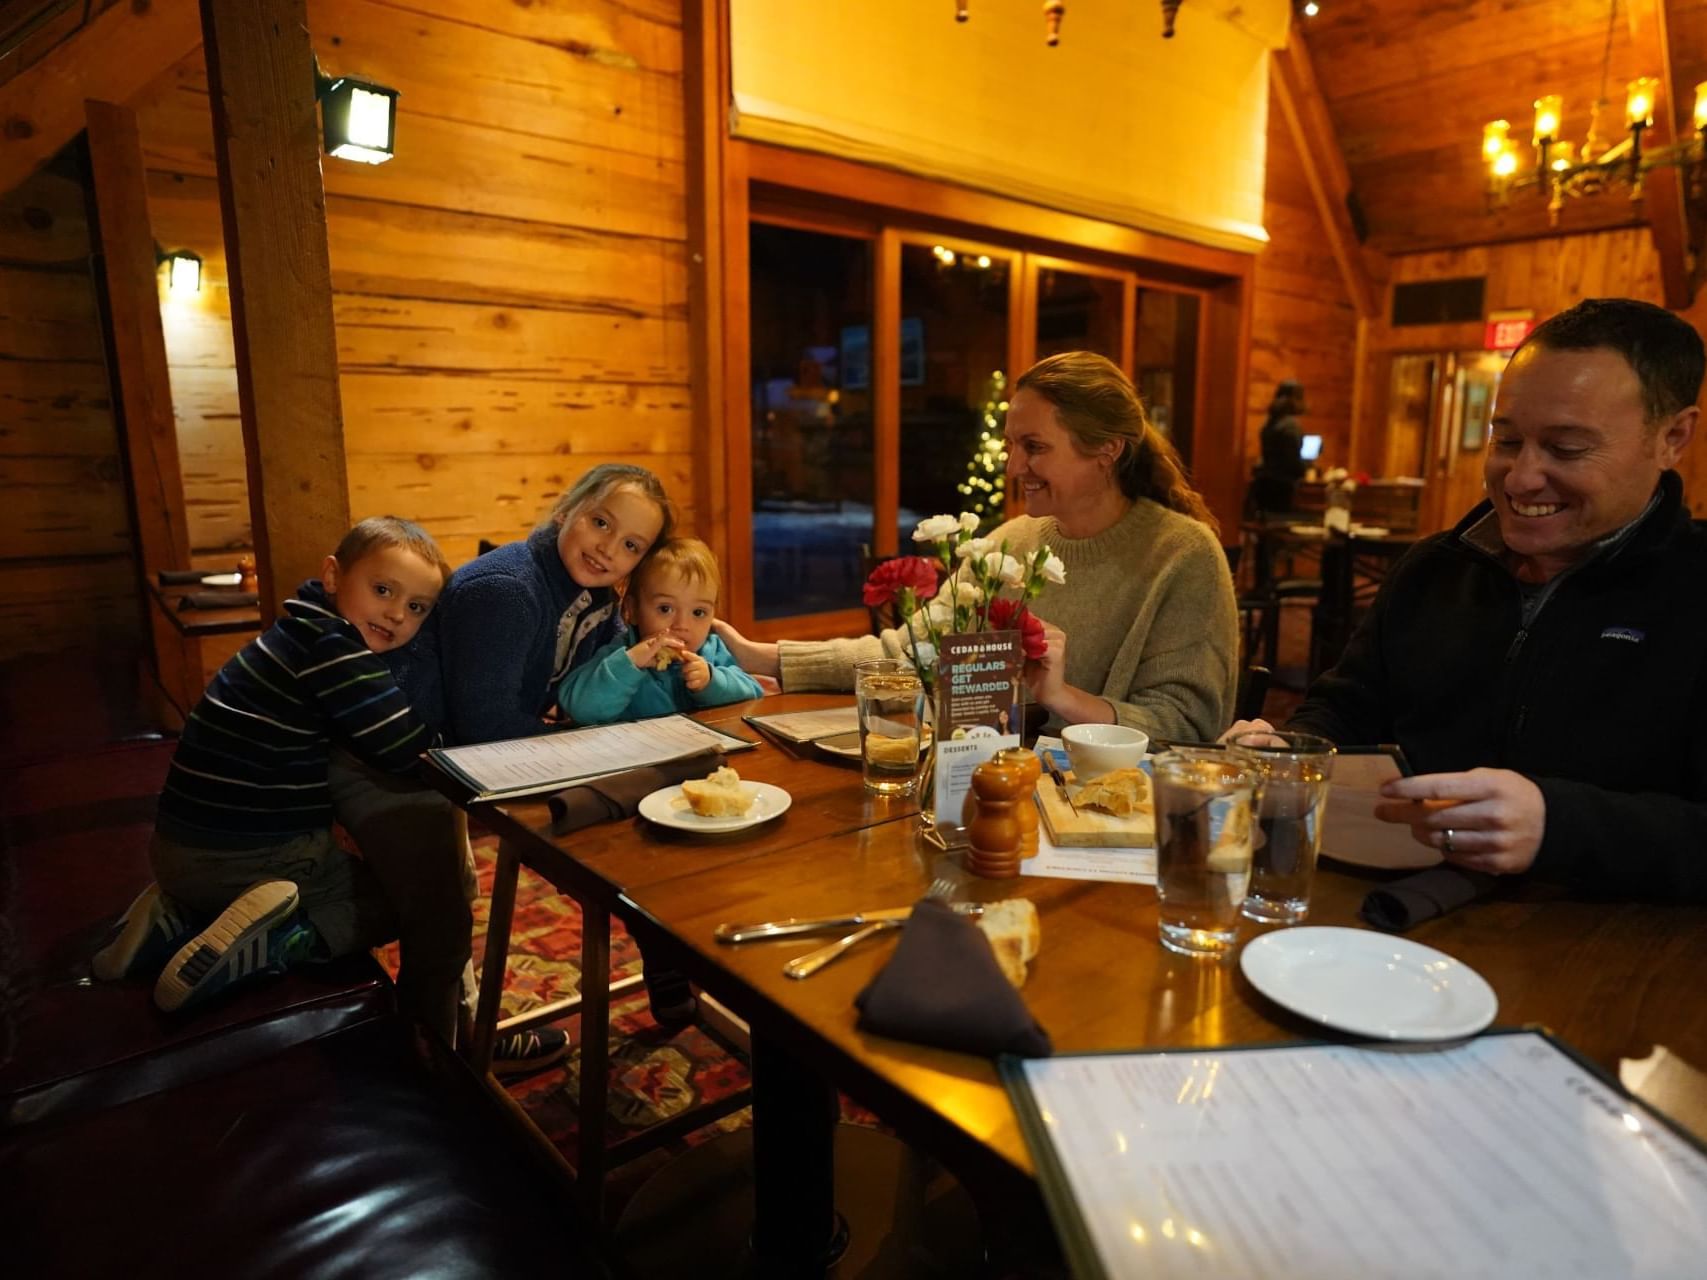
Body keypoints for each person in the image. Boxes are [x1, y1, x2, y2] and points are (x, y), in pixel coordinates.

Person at [1223, 297, 1707, 901]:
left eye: (1566, 448)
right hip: (1389, 922)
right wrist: (1290, 750)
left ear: (1672, 438)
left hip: (1607, 965)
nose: (1521, 477)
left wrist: (1558, 825)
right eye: (1505, 440)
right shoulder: (1433, 570)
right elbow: (1343, 711)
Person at [715, 351, 1238, 741]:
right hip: (995, 785)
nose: (1013, 468)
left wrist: (1063, 698)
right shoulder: (1011, 542)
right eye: (1012, 445)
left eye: (1034, 447)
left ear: (1106, 450)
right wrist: (762, 654)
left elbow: (1187, 725)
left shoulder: (1183, 555)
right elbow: (911, 653)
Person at [353, 463, 699, 1035]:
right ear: (567, 510)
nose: (608, 548)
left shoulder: (594, 600)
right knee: (440, 917)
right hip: (402, 759)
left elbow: (603, 680)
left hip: (466, 758)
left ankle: (660, 954)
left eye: (631, 544)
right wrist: (597, 743)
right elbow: (486, 724)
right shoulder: (508, 589)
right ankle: (443, 1062)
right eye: (600, 522)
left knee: (642, 820)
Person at [92, 517, 455, 1018]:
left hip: (177, 849)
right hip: (255, 855)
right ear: (333, 576)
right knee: (408, 905)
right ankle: (281, 942)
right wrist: (453, 741)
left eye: (416, 607)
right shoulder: (337, 651)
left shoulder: (297, 630)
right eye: (382, 589)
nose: (395, 614)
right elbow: (405, 752)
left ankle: (178, 917)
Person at [558, 537, 763, 724]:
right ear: (632, 610)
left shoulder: (713, 651)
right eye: (665, 609)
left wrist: (711, 681)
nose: (682, 625)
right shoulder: (621, 654)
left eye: (698, 612)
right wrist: (630, 664)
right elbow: (581, 710)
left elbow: (753, 695)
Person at [1248, 379, 1307, 517]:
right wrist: (1305, 470)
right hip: (1283, 489)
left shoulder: (1270, 422)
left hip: (1265, 486)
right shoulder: (1291, 425)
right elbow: (1293, 462)